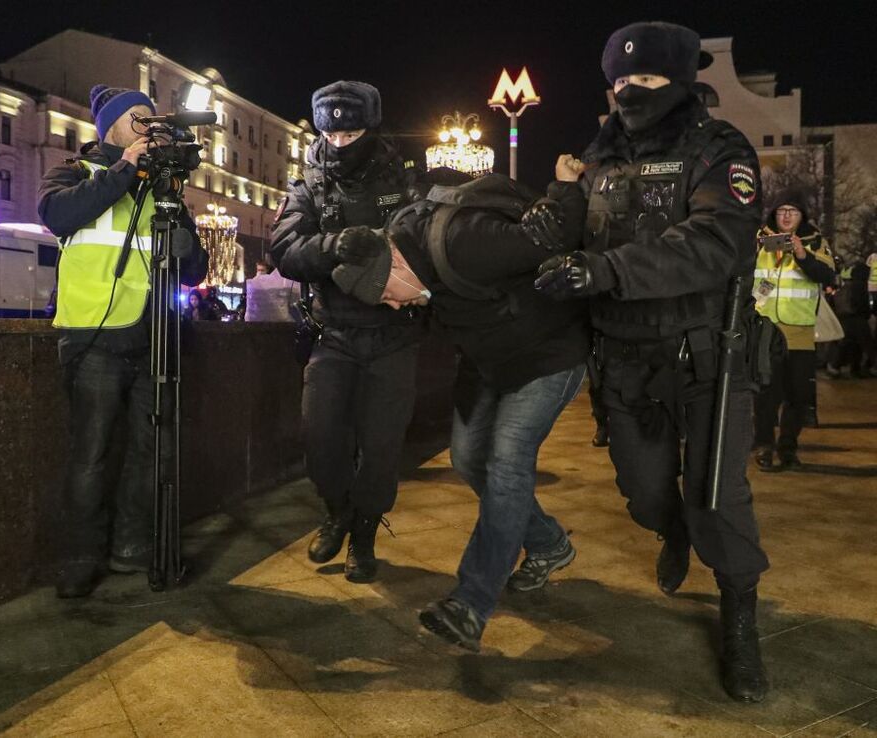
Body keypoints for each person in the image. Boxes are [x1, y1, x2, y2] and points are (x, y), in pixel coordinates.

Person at [536, 22, 771, 702]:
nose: (631, 94)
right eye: (620, 84)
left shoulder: (717, 148)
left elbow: (712, 243)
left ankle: (741, 623)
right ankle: (670, 529)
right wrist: (559, 198)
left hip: (705, 356)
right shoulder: (598, 156)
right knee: (644, 494)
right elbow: (563, 235)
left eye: (647, 81)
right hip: (626, 360)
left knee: (719, 499)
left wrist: (603, 270)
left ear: (681, 81)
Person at [342, 171, 590, 652]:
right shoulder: (417, 262)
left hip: (548, 353)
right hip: (490, 363)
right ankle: (549, 544)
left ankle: (471, 603)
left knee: (507, 463)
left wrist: (563, 184)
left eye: (388, 295)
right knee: (467, 460)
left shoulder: (463, 241)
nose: (394, 306)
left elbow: (554, 234)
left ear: (396, 269)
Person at [38, 84, 207, 598]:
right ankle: (80, 557)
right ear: (109, 128)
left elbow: (194, 271)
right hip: (93, 335)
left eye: (153, 121)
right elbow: (58, 216)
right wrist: (124, 169)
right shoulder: (75, 171)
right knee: (89, 453)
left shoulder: (164, 188)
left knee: (150, 449)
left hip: (154, 335)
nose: (150, 129)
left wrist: (184, 241)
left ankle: (132, 546)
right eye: (139, 120)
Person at [270, 81, 423, 583]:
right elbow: (284, 250)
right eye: (330, 133)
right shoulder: (308, 184)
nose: (338, 143)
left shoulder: (404, 179)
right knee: (320, 437)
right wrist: (334, 245)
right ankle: (336, 509)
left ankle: (363, 536)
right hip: (331, 335)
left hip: (393, 335)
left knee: (381, 449)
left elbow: (431, 241)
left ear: (370, 127)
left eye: (350, 131)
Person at [752, 188, 835, 470]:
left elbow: (827, 275)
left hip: (799, 331)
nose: (786, 216)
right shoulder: (759, 240)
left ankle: (788, 448)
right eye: (781, 211)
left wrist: (802, 254)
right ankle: (763, 445)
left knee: (798, 396)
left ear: (802, 216)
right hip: (766, 330)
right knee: (766, 395)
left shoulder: (816, 241)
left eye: (793, 211)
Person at [244, 258, 299, 323]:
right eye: (258, 270)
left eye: (262, 270)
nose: (260, 273)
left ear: (268, 271)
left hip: (260, 321)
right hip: (274, 321)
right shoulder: (254, 284)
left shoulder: (276, 283)